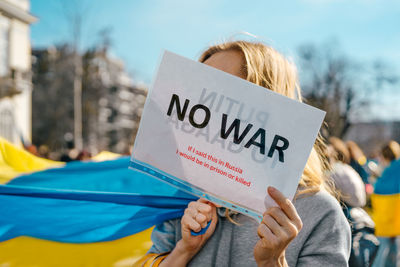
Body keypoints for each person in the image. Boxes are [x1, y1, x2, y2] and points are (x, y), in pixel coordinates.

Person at [135, 40, 351, 267]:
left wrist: (273, 262)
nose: (204, 101)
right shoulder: (184, 195)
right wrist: (184, 250)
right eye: (198, 84)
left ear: (268, 103)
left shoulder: (319, 213)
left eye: (221, 86)